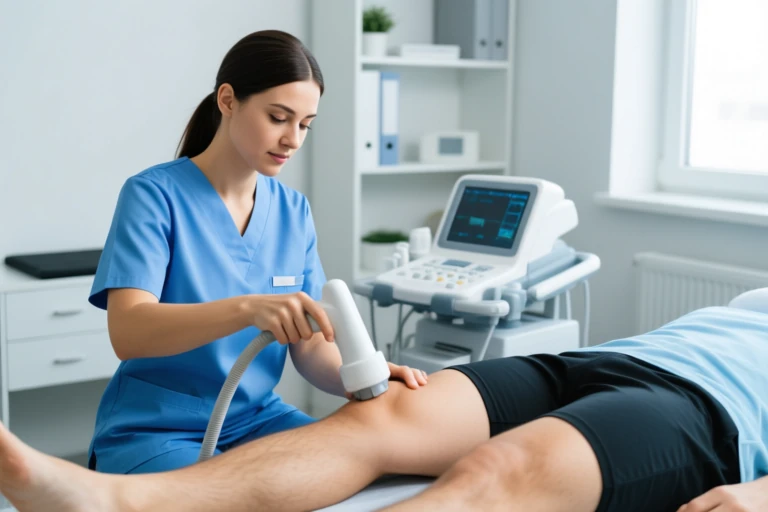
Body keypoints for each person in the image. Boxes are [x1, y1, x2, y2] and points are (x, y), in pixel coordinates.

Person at [1, 292, 767, 511]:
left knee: (495, 472)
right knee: (378, 419)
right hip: (601, 358)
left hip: (704, 412)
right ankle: (115, 503)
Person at [85, 29, 427, 476]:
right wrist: (248, 309)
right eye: (279, 117)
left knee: (364, 469)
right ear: (228, 100)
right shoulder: (152, 196)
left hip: (259, 420)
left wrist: (365, 374)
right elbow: (128, 332)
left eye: (305, 124)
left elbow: (310, 349)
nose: (293, 140)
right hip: (157, 428)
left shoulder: (293, 211)